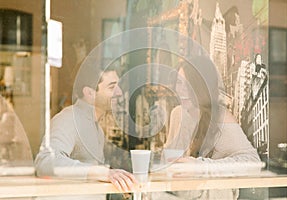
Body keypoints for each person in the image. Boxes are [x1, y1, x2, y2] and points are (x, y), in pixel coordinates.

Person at [161, 56, 261, 199]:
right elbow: (170, 161)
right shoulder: (178, 114)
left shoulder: (221, 117)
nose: (181, 90)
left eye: (188, 84)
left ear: (202, 86)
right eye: (179, 83)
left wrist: (201, 168)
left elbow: (253, 163)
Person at [34, 64, 137, 194]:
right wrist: (100, 172)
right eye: (112, 87)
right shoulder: (69, 118)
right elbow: (45, 162)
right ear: (89, 93)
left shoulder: (97, 128)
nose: (120, 92)